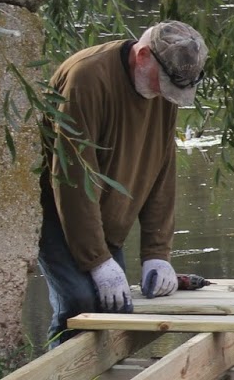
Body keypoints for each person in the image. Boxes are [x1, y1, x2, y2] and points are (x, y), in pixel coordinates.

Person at [37, 21, 208, 342]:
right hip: (60, 214)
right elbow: (71, 177)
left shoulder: (161, 85)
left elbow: (162, 168)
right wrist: (98, 261)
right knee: (79, 303)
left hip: (108, 217)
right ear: (143, 55)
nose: (165, 95)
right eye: (164, 85)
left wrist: (156, 253)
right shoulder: (86, 79)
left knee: (116, 309)